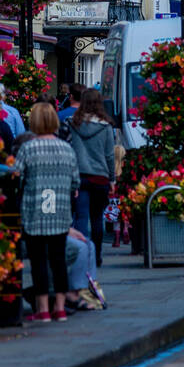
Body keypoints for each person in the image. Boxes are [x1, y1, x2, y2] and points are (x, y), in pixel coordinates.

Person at [13, 101, 80, 322]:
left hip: (35, 214)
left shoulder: (28, 148)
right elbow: (75, 182)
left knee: (38, 261)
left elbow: (17, 178)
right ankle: (60, 307)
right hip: (60, 213)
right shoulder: (66, 148)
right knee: (58, 259)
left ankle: (42, 309)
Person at [67, 87, 116, 268]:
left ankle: (80, 255)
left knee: (80, 217)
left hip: (79, 176)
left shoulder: (72, 123)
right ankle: (97, 256)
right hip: (100, 177)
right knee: (97, 218)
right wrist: (112, 179)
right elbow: (110, 155)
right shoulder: (106, 126)